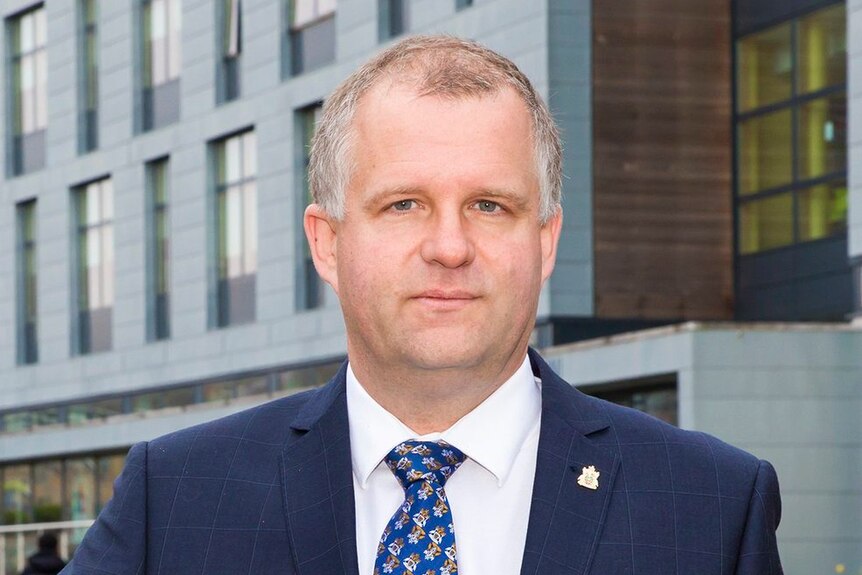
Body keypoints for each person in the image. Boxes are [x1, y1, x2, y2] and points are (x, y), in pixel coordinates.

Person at [61, 35, 782, 574]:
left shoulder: (712, 505)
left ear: (546, 240)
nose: (449, 245)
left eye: (490, 205)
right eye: (403, 203)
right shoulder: (179, 494)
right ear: (328, 242)